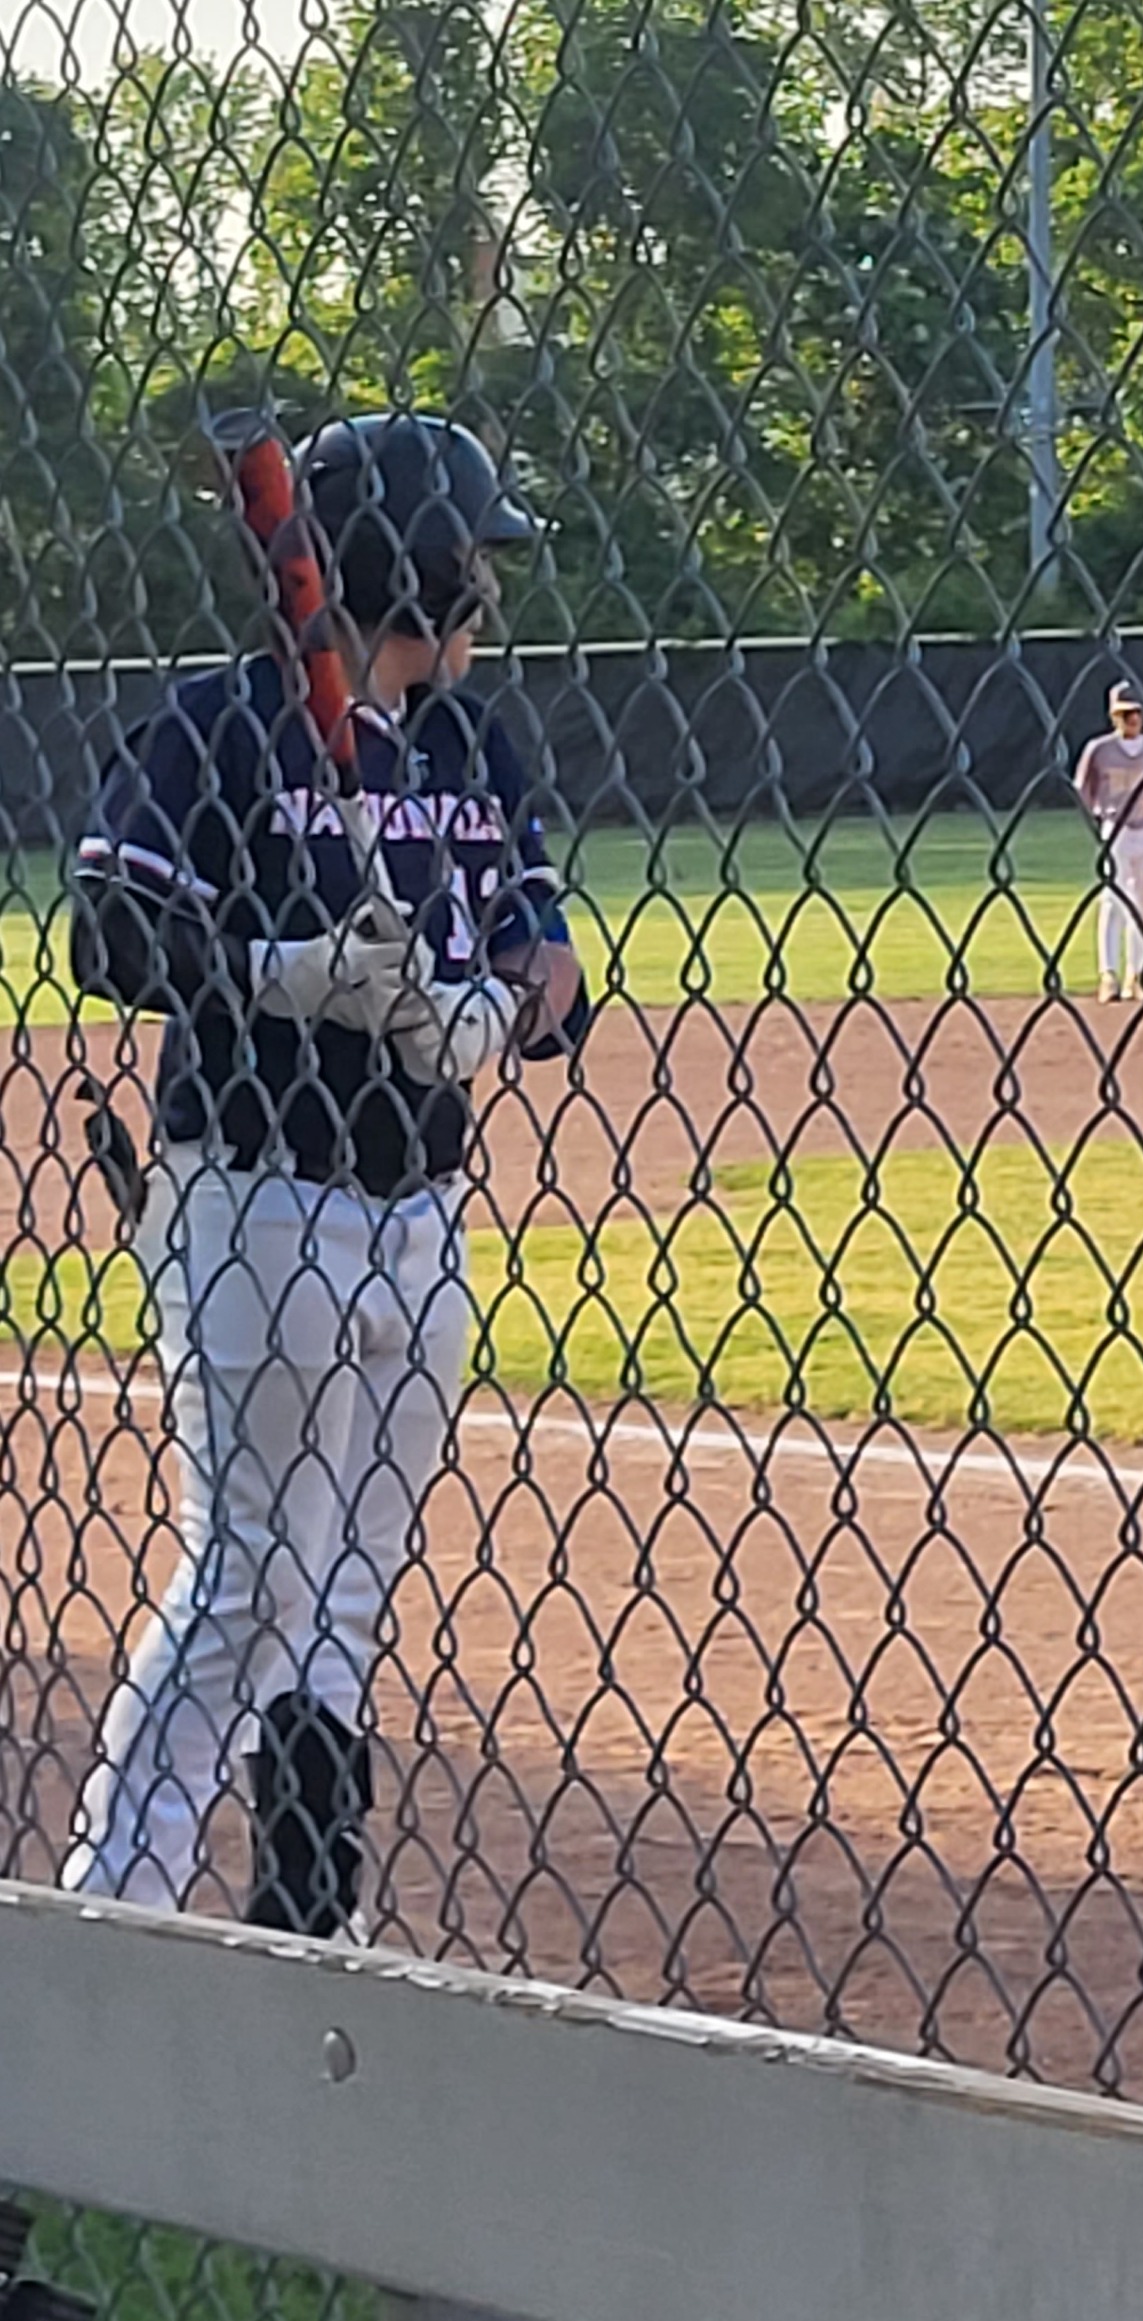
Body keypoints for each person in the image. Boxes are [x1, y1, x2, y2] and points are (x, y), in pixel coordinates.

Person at [61, 412, 589, 1939]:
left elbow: (551, 963)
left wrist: (484, 1010)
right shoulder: (225, 724)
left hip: (421, 1206)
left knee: (346, 1587)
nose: (491, 590)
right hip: (257, 1193)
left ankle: (304, 1912)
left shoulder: (473, 745)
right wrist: (289, 973)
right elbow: (109, 930)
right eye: (474, 559)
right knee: (248, 1575)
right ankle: (114, 1917)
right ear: (417, 568)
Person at [1074, 680, 1143, 1002]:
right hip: (1115, 831)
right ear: (1113, 716)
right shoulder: (1099, 749)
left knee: (1141, 904)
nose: (1132, 719)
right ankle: (1108, 975)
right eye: (1125, 714)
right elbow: (1082, 788)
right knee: (1112, 900)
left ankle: (1137, 975)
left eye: (1136, 713)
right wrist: (1098, 818)